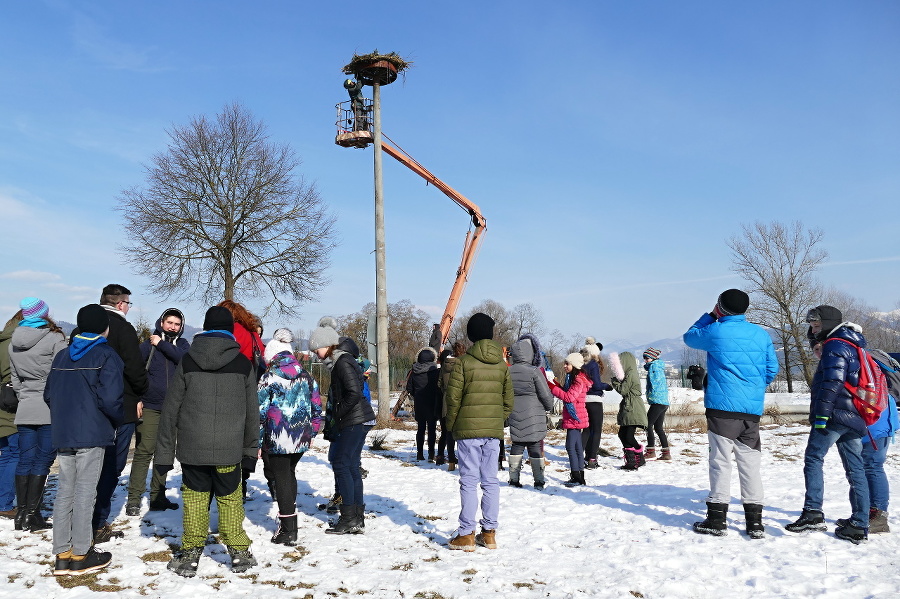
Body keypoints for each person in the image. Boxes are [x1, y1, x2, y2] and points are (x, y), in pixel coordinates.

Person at [156, 306, 259, 577]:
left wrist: (164, 454)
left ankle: (190, 553)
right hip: (230, 449)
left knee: (195, 498)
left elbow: (171, 410)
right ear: (229, 330)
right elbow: (252, 412)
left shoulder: (187, 360)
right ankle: (238, 552)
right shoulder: (242, 363)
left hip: (193, 449)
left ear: (205, 327)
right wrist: (250, 451)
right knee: (230, 498)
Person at [683, 288, 778, 539]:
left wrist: (709, 316)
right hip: (751, 410)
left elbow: (690, 337)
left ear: (720, 307)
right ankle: (755, 523)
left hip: (721, 409)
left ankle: (717, 518)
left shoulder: (716, 330)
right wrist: (754, 388)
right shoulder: (761, 335)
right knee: (750, 463)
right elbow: (771, 370)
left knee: (720, 461)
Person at [44, 304, 123, 576]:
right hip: (92, 431)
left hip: (64, 431)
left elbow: (49, 395)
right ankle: (81, 553)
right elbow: (111, 399)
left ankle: (62, 554)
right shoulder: (106, 355)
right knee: (86, 492)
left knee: (65, 491)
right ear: (105, 327)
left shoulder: (62, 356)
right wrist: (115, 421)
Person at [784, 305, 873, 544]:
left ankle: (813, 512)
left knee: (814, 458)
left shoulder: (835, 345)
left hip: (834, 415)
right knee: (855, 468)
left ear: (828, 322)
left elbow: (833, 382)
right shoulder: (851, 342)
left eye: (816, 325)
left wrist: (822, 415)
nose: (812, 329)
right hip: (853, 416)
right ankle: (860, 521)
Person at [71, 284, 149, 542]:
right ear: (119, 304)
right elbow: (135, 368)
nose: (128, 307)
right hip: (121, 405)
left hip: (85, 407)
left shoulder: (81, 328)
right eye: (128, 303)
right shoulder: (123, 328)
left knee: (84, 467)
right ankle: (97, 521)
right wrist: (139, 394)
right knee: (112, 465)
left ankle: (80, 520)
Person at [445, 313, 513, 551]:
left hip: (468, 430)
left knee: (469, 481)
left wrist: (452, 425)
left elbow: (453, 399)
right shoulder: (502, 365)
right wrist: (497, 419)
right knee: (491, 481)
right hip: (493, 432)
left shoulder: (464, 362)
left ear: (471, 335)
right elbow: (508, 400)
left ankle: (466, 534)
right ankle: (490, 533)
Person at [309, 317, 375, 535]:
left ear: (327, 345)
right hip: (356, 419)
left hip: (353, 420)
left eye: (316, 349)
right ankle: (356, 517)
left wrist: (337, 413)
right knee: (351, 467)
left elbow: (354, 392)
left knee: (342, 465)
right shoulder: (342, 360)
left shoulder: (342, 361)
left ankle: (348, 518)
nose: (315, 354)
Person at [258, 329, 323, 546]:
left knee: (282, 478)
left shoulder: (269, 377)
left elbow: (260, 412)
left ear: (272, 357)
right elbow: (316, 406)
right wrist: (312, 431)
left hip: (277, 436)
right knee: (290, 473)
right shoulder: (306, 376)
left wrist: (257, 441)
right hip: (301, 436)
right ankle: (290, 516)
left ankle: (288, 529)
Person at [9, 297, 68, 532]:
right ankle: (32, 515)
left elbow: (15, 379)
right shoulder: (54, 338)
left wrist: (26, 396)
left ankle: (21, 513)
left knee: (25, 459)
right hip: (48, 405)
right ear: (44, 313)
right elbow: (61, 373)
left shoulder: (13, 341)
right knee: (43, 459)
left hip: (25, 406)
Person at [126, 308, 189, 515]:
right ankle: (134, 500)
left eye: (177, 324)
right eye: (169, 322)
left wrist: (161, 344)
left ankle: (157, 497)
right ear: (162, 322)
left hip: (175, 408)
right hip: (151, 406)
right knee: (144, 452)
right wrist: (136, 398)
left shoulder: (182, 345)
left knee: (165, 454)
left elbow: (184, 360)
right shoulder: (146, 346)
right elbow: (133, 371)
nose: (173, 327)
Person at [836, 348, 899, 535]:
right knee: (864, 466)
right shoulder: (861, 358)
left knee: (872, 465)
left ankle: (879, 517)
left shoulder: (858, 362)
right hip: (878, 419)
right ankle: (863, 513)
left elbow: (866, 393)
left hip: (876, 421)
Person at [506, 336, 554, 489]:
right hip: (534, 415)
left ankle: (514, 479)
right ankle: (539, 481)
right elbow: (545, 394)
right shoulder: (534, 371)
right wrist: (549, 406)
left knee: (517, 444)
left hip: (515, 413)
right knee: (534, 445)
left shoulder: (508, 371)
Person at [548, 352, 591, 486]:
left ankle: (576, 476)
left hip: (574, 418)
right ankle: (580, 476)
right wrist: (555, 384)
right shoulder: (573, 378)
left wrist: (552, 388)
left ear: (575, 365)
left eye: (567, 364)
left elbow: (568, 398)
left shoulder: (578, 380)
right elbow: (567, 393)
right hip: (575, 417)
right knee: (577, 448)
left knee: (570, 447)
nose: (565, 366)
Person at [609, 352, 649, 470]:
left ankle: (635, 459)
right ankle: (636, 459)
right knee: (622, 434)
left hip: (633, 406)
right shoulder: (629, 373)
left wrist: (615, 381)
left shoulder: (631, 373)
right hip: (629, 405)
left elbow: (623, 390)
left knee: (628, 435)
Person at [0, 311, 22, 520]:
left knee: (6, 454)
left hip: (1, 405)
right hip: (10, 405)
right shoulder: (14, 343)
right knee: (14, 453)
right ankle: (5, 503)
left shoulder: (3, 339)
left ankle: (3, 500)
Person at [581, 340, 612, 470]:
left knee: (586, 430)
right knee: (596, 430)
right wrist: (607, 386)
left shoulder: (581, 363)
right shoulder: (593, 364)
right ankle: (592, 458)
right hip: (594, 400)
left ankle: (579, 455)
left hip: (583, 399)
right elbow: (597, 385)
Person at [407, 346, 441, 462]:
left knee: (420, 429)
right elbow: (439, 387)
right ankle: (431, 454)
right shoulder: (435, 372)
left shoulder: (414, 371)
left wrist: (417, 395)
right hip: (432, 403)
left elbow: (409, 388)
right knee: (432, 429)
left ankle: (419, 454)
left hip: (419, 403)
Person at [436, 342, 464, 470]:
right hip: (460, 401)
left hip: (446, 401)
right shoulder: (462, 365)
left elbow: (439, 384)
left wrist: (446, 392)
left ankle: (450, 458)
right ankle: (463, 459)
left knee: (447, 431)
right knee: (461, 432)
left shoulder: (444, 366)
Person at [643, 347, 671, 461]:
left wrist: (651, 393)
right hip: (663, 401)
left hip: (657, 401)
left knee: (647, 425)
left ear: (653, 358)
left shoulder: (654, 367)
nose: (645, 360)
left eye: (647, 358)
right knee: (658, 427)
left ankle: (651, 451)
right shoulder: (658, 366)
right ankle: (666, 453)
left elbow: (656, 382)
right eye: (644, 358)